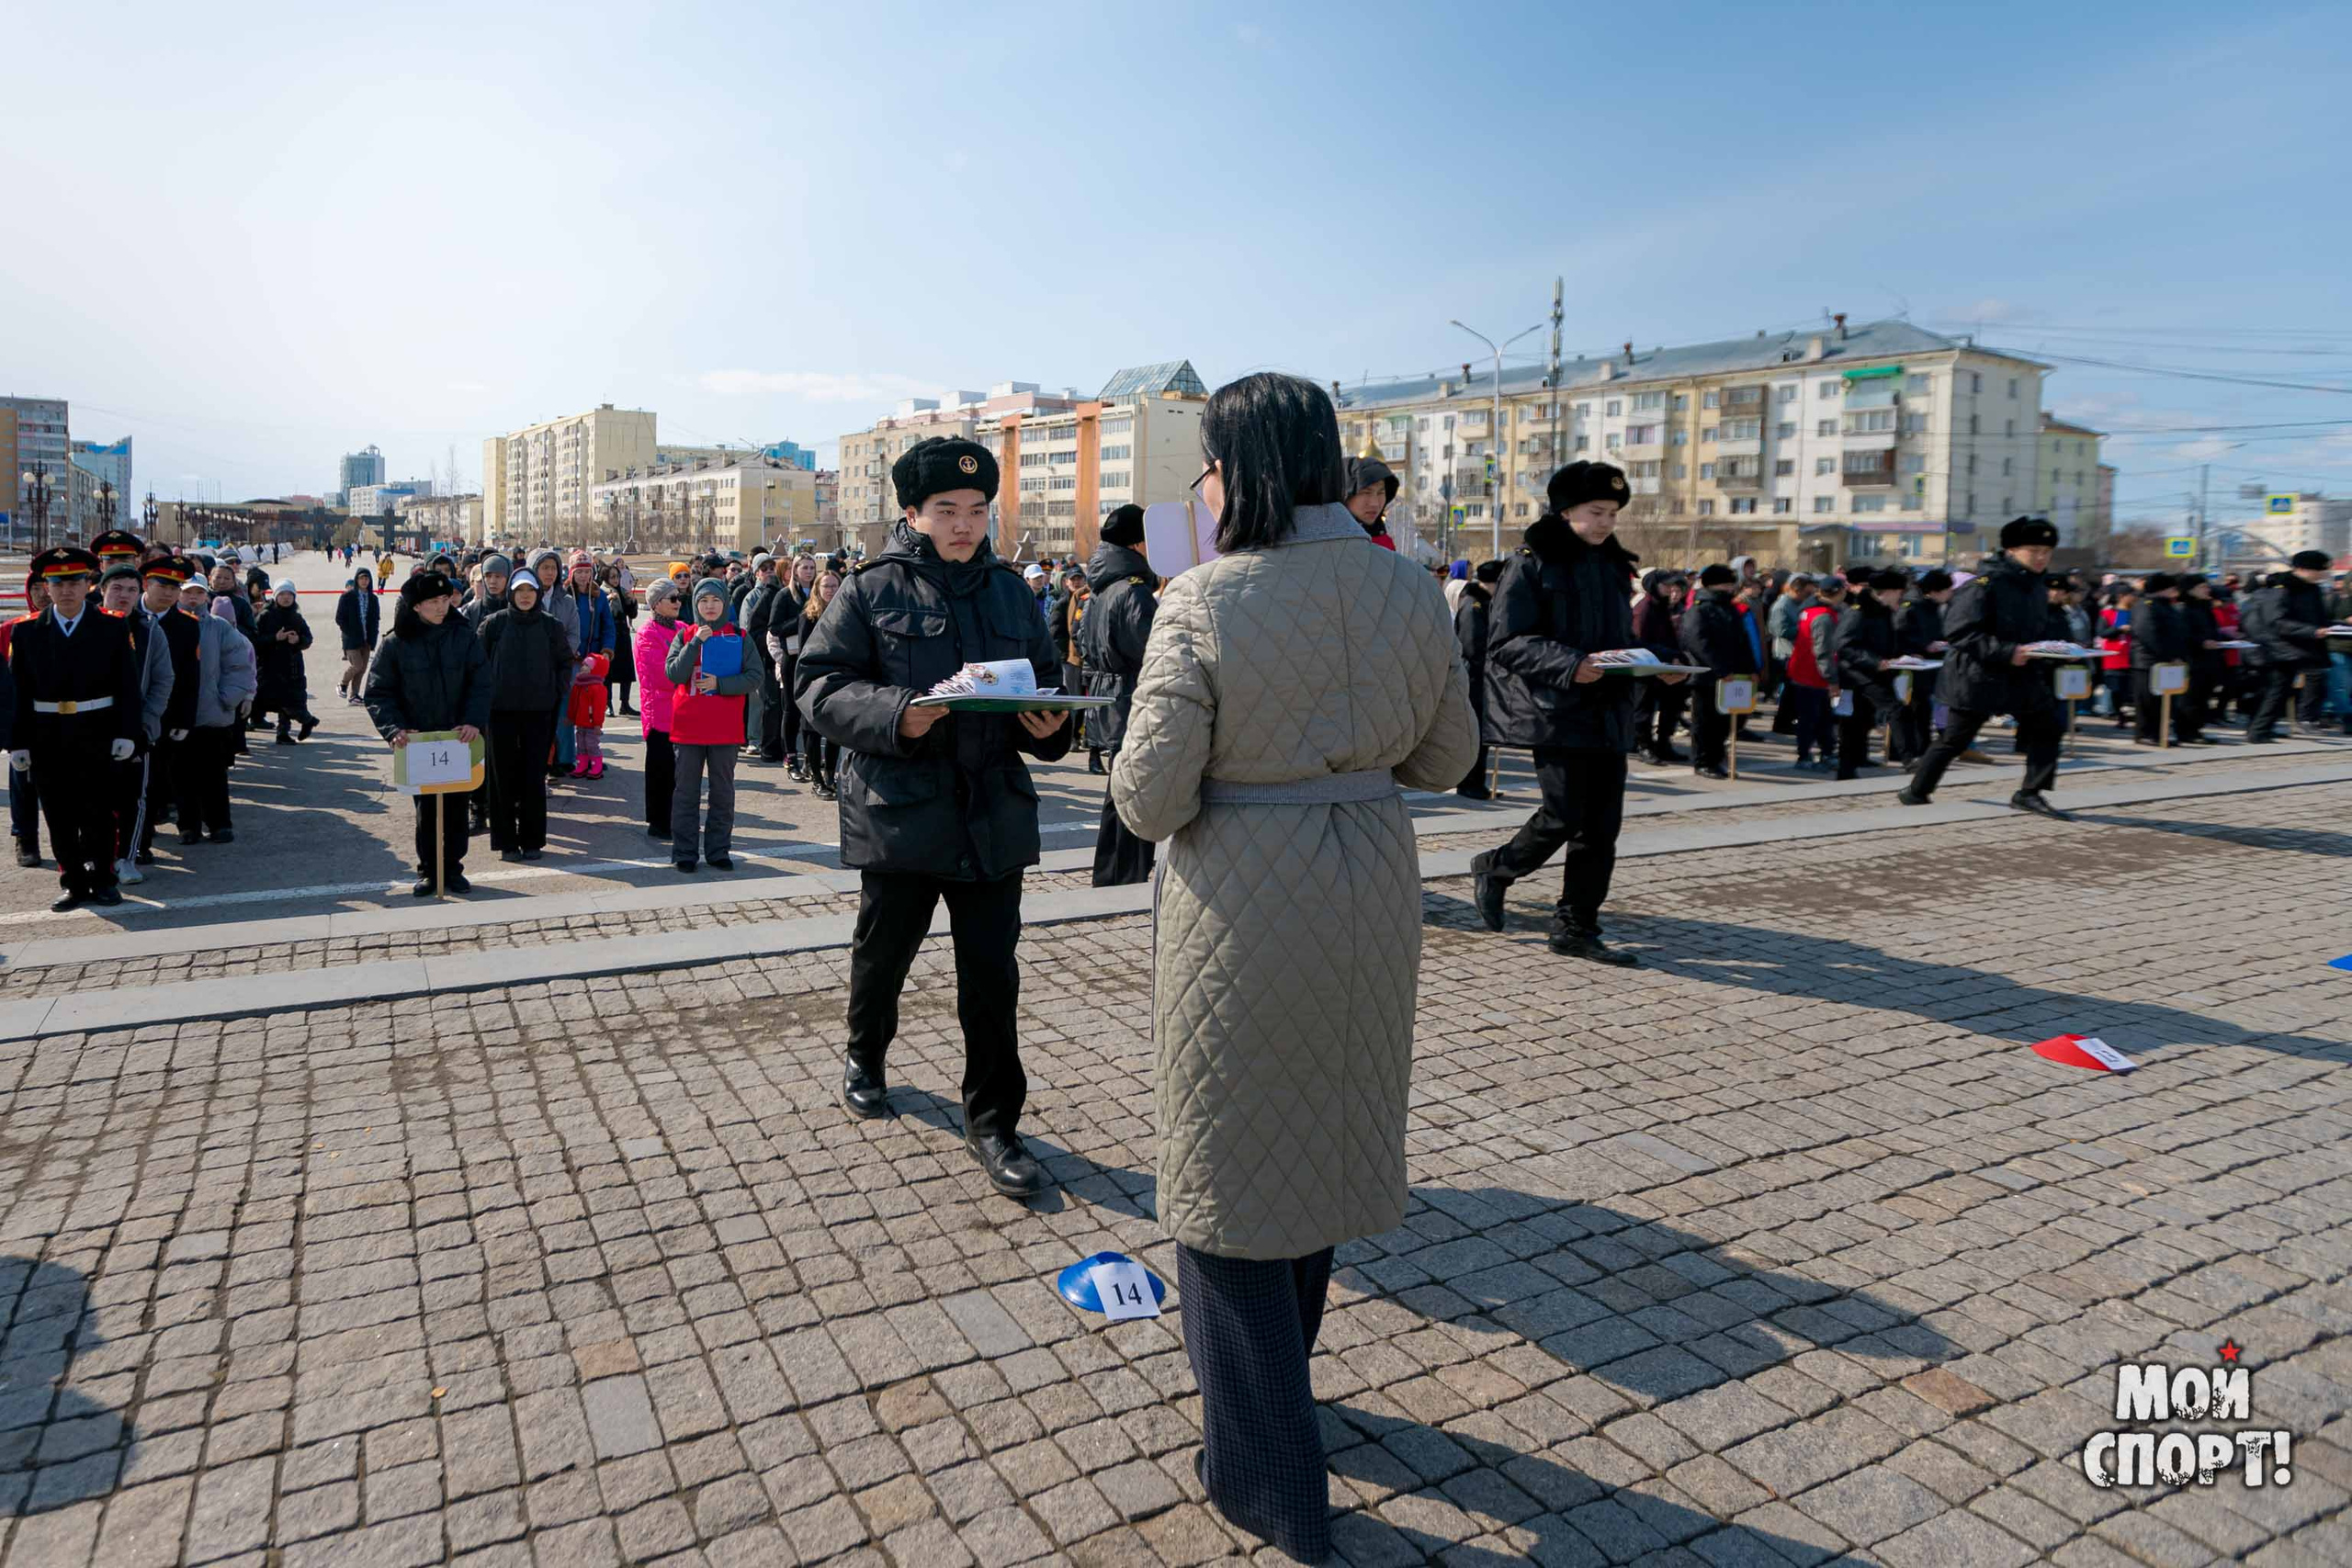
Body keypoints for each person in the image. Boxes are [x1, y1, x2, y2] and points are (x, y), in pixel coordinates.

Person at [1109, 372, 1476, 1563]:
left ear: (1240, 470)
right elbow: (1449, 754)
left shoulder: (1204, 596)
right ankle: (1287, 1396)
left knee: (1223, 1179)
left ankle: (1265, 1472)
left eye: (1207, 464)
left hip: (1244, 896)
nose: (1201, 486)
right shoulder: (1406, 583)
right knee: (1316, 1137)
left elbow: (1149, 793)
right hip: (1372, 878)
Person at [795, 434, 1071, 1198]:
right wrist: (899, 716)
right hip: (903, 813)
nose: (963, 524)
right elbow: (817, 685)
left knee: (992, 977)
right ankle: (865, 1053)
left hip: (992, 818)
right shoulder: (871, 589)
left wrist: (1050, 728)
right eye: (946, 509)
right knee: (883, 957)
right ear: (912, 512)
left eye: (977, 510)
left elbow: (1044, 685)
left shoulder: (1014, 593)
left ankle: (994, 1123)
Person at [1469, 460, 1687, 965]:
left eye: (1613, 512)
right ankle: (1497, 867)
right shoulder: (1531, 562)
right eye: (1597, 512)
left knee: (1602, 827)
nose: (1607, 522)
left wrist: (1657, 665)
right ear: (1566, 511)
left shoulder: (1613, 567)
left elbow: (1621, 643)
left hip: (1608, 710)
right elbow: (1506, 642)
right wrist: (1571, 665)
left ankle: (1576, 924)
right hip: (1558, 710)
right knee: (1564, 814)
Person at [1897, 518, 2070, 818]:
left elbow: (2035, 628)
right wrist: (2007, 652)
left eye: (2047, 551)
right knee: (1955, 739)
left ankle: (2030, 792)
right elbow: (1960, 632)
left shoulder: (2036, 586)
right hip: (1978, 676)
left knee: (2049, 725)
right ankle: (1917, 790)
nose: (2042, 557)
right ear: (2012, 550)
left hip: (2021, 673)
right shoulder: (1984, 585)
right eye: (2034, 550)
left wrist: (2055, 648)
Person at [9, 549, 143, 908]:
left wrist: (127, 733)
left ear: (89, 585)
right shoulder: (26, 632)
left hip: (97, 730)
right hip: (46, 734)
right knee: (58, 813)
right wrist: (16, 742)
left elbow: (127, 686)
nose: (66, 590)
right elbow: (18, 692)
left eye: (73, 582)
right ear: (46, 588)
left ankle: (104, 879)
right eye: (57, 583)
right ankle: (73, 882)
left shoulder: (112, 626)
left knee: (99, 811)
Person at [363, 571, 489, 896]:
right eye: (433, 602)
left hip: (458, 739)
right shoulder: (396, 643)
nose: (441, 607)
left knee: (457, 808)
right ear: (416, 606)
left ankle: (454, 868)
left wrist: (473, 720)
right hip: (418, 743)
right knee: (427, 811)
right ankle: (430, 870)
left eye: (445, 600)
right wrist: (394, 729)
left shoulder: (464, 636)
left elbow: (482, 683)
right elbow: (378, 693)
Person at [1077, 502, 1157, 883]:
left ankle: (1111, 872)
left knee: (1119, 794)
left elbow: (1083, 642)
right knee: (1135, 796)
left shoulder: (1100, 590)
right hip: (1133, 697)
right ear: (1138, 545)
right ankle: (1125, 875)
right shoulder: (1133, 591)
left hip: (1110, 695)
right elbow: (1152, 651)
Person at [664, 579, 757, 871]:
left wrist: (722, 684)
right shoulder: (685, 635)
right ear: (696, 605)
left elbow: (755, 677)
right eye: (704, 601)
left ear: (725, 602)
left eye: (715, 600)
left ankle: (718, 850)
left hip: (724, 729)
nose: (710, 606)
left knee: (722, 792)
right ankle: (685, 852)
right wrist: (695, 643)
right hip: (688, 728)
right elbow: (675, 674)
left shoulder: (739, 636)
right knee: (686, 793)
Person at [479, 571, 570, 861]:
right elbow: (477, 664)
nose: (526, 596)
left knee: (533, 777)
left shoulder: (550, 626)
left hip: (538, 713)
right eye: (520, 591)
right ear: (511, 594)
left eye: (531, 590)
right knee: (502, 777)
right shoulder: (495, 624)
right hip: (500, 713)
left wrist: (554, 690)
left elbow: (564, 662)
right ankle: (506, 841)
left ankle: (532, 840)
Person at [98, 562, 174, 887]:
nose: (124, 596)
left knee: (133, 797)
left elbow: (163, 679)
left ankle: (126, 858)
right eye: (116, 588)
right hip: (90, 729)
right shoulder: (88, 625)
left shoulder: (149, 629)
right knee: (92, 799)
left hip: (137, 728)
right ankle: (96, 857)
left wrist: (147, 720)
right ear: (101, 591)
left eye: (131, 590)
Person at [184, 582, 258, 842]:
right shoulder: (168, 625)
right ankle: (188, 825)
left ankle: (219, 824)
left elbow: (240, 664)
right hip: (178, 716)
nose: (193, 598)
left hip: (213, 714)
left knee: (214, 773)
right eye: (188, 593)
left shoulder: (219, 627)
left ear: (207, 596)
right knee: (183, 774)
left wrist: (228, 698)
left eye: (199, 593)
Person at [2242, 550, 2334, 742]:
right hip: (2280, 647)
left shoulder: (2313, 589)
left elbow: (2319, 618)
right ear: (2303, 569)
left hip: (2301, 646)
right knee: (2277, 689)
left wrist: (2336, 626)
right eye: (2320, 570)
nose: (2324, 574)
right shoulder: (2282, 588)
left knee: (2284, 689)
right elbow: (2276, 621)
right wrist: (2313, 631)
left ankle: (2263, 728)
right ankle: (2258, 731)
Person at [1678, 563, 1757, 779]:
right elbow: (1698, 643)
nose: (1730, 588)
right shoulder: (1699, 609)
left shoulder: (1729, 608)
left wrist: (1750, 669)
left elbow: (1743, 641)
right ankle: (1703, 762)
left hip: (1733, 677)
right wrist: (1721, 670)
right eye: (1726, 584)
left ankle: (1717, 759)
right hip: (1706, 677)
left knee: (1725, 723)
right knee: (1705, 724)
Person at [1831, 570, 1906, 780]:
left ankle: (1846, 770)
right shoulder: (1859, 611)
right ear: (1889, 591)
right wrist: (1874, 662)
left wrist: (1903, 657)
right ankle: (1910, 759)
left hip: (1876, 673)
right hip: (1856, 676)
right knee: (1891, 709)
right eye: (1899, 591)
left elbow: (1886, 641)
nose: (1901, 596)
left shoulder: (1884, 611)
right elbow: (1844, 645)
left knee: (1858, 723)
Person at [635, 580, 688, 840]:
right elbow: (661, 675)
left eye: (679, 598)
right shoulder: (647, 634)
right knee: (661, 770)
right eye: (673, 599)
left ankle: (676, 818)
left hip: (683, 711)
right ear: (656, 604)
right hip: (660, 713)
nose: (678, 603)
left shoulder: (683, 628)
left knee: (680, 773)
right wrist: (687, 671)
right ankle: (658, 822)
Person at [0, 576, 45, 868]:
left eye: (46, 586)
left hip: (65, 718)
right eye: (36, 588)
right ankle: (25, 838)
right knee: (23, 781)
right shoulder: (9, 630)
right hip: (24, 721)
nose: (43, 594)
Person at [1454, 559, 1506, 795]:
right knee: (1474, 733)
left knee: (1483, 733)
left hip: (1482, 676)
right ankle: (1469, 783)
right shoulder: (1473, 605)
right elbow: (1473, 646)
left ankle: (1478, 782)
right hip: (1474, 677)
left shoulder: (1486, 603)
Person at [1784, 574, 1844, 772]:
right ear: (1837, 593)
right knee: (1811, 718)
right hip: (1812, 674)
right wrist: (1832, 679)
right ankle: (1805, 756)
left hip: (1804, 671)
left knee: (1821, 717)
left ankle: (1826, 752)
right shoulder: (1823, 617)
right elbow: (1823, 652)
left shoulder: (1809, 610)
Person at [1631, 570, 1689, 765]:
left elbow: (1670, 638)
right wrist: (1669, 655)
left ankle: (1664, 744)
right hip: (1646, 667)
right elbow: (1639, 641)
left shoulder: (1661, 607)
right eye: (1665, 585)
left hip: (1665, 666)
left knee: (1671, 706)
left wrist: (1678, 658)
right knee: (1643, 709)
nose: (1670, 589)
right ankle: (1643, 746)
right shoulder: (1645, 608)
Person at [794, 570, 843, 797]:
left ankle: (830, 776)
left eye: (835, 586)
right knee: (811, 730)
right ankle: (816, 779)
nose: (831, 590)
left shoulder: (846, 613)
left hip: (839, 677)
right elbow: (804, 652)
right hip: (814, 678)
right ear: (817, 589)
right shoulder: (808, 616)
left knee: (834, 730)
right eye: (827, 586)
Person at [769, 556, 819, 778]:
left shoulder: (820, 594)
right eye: (803, 568)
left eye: (812, 568)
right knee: (791, 710)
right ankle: (790, 759)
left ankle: (811, 759)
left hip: (816, 658)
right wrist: (801, 620)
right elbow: (774, 628)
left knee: (813, 712)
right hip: (792, 658)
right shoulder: (785, 596)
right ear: (795, 571)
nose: (808, 572)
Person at [254, 581, 319, 744]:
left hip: (292, 665)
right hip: (269, 665)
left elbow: (308, 639)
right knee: (274, 699)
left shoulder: (296, 617)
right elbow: (255, 640)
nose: (286, 598)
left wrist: (298, 640)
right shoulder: (265, 615)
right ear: (275, 596)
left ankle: (283, 733)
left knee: (290, 698)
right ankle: (307, 720)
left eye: (289, 594)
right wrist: (275, 638)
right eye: (282, 594)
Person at [738, 556, 783, 761]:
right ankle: (754, 739)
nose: (768, 571)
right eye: (764, 568)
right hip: (755, 654)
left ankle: (771, 738)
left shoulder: (778, 593)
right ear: (756, 572)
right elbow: (747, 628)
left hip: (774, 655)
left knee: (772, 700)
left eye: (772, 568)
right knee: (757, 699)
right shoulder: (752, 597)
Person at [335, 567, 382, 703]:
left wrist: (373, 638)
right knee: (357, 665)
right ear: (357, 580)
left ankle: (354, 695)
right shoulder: (347, 596)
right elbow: (339, 618)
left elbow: (375, 620)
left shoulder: (373, 599)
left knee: (362, 669)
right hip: (351, 639)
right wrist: (349, 632)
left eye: (367, 578)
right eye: (361, 578)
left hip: (366, 639)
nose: (364, 581)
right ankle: (343, 684)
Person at [1342, 454, 1400, 549]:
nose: (1375, 503)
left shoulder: (1384, 543)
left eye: (1381, 493)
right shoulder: (1327, 541)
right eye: (1366, 492)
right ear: (1345, 496)